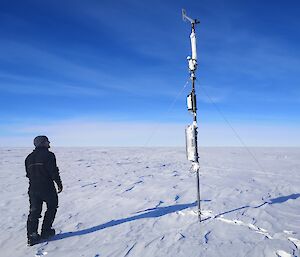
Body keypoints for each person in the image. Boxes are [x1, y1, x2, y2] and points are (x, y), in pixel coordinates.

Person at [25, 136, 63, 246]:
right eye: (47, 141)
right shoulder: (49, 155)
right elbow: (53, 171)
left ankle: (32, 236)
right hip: (47, 188)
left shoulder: (29, 157)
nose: (49, 143)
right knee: (52, 207)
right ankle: (46, 231)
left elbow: (28, 174)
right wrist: (59, 184)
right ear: (42, 143)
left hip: (33, 189)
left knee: (34, 212)